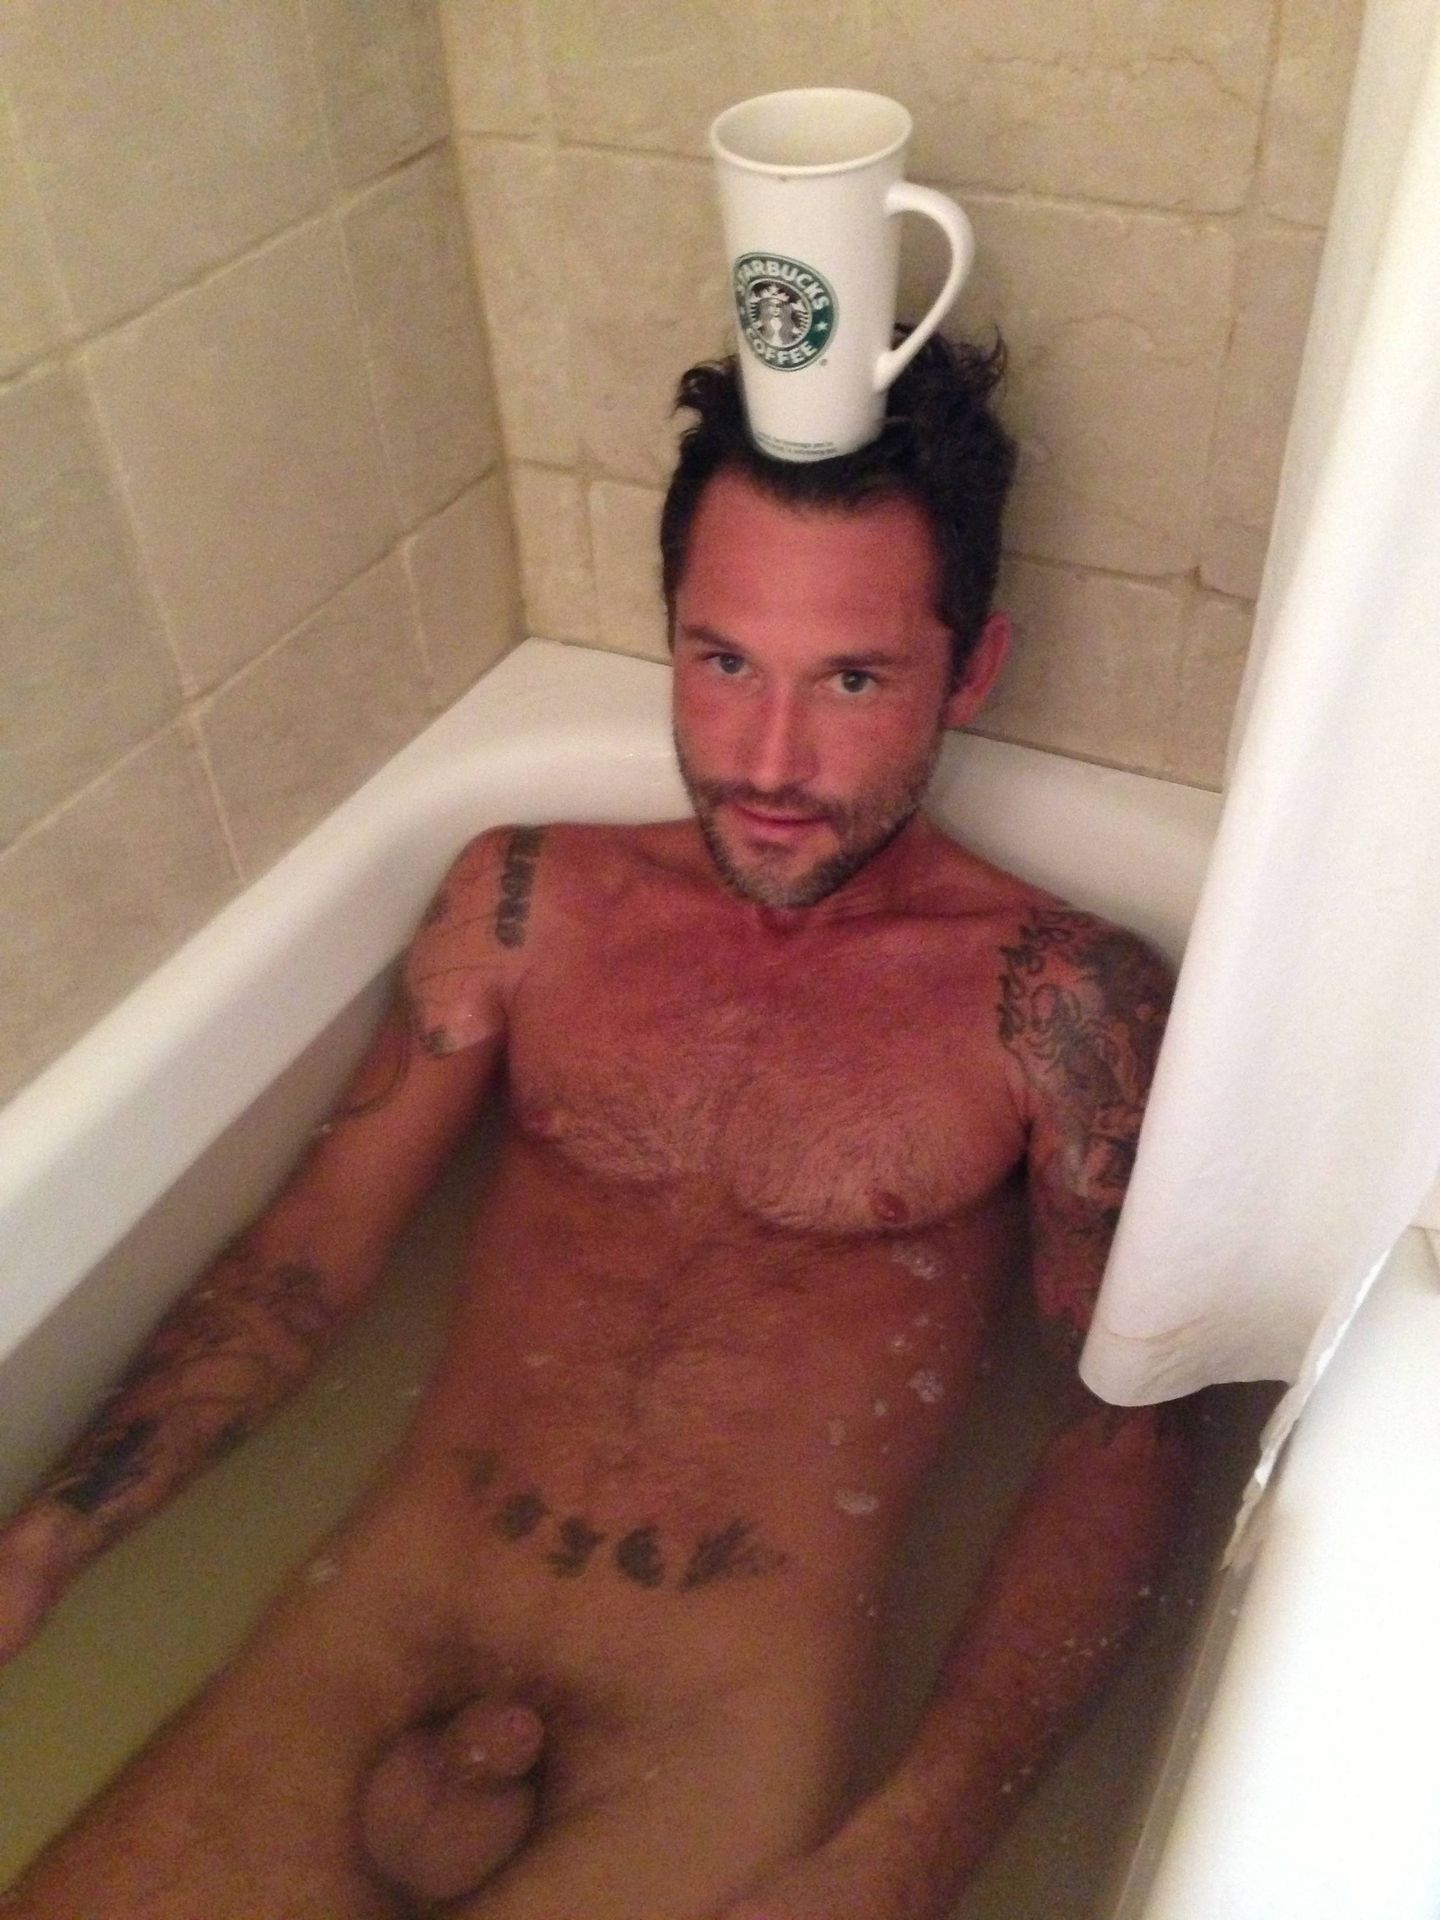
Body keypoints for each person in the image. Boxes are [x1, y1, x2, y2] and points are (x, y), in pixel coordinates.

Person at [0, 334, 1190, 1920]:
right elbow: (305, 1258)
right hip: (368, 1640)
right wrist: (48, 1543)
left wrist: (911, 1851)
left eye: (852, 679)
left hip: (704, 1734)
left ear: (969, 672)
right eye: (723, 661)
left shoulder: (1061, 1004)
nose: (768, 761)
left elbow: (1124, 1434)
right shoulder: (525, 896)